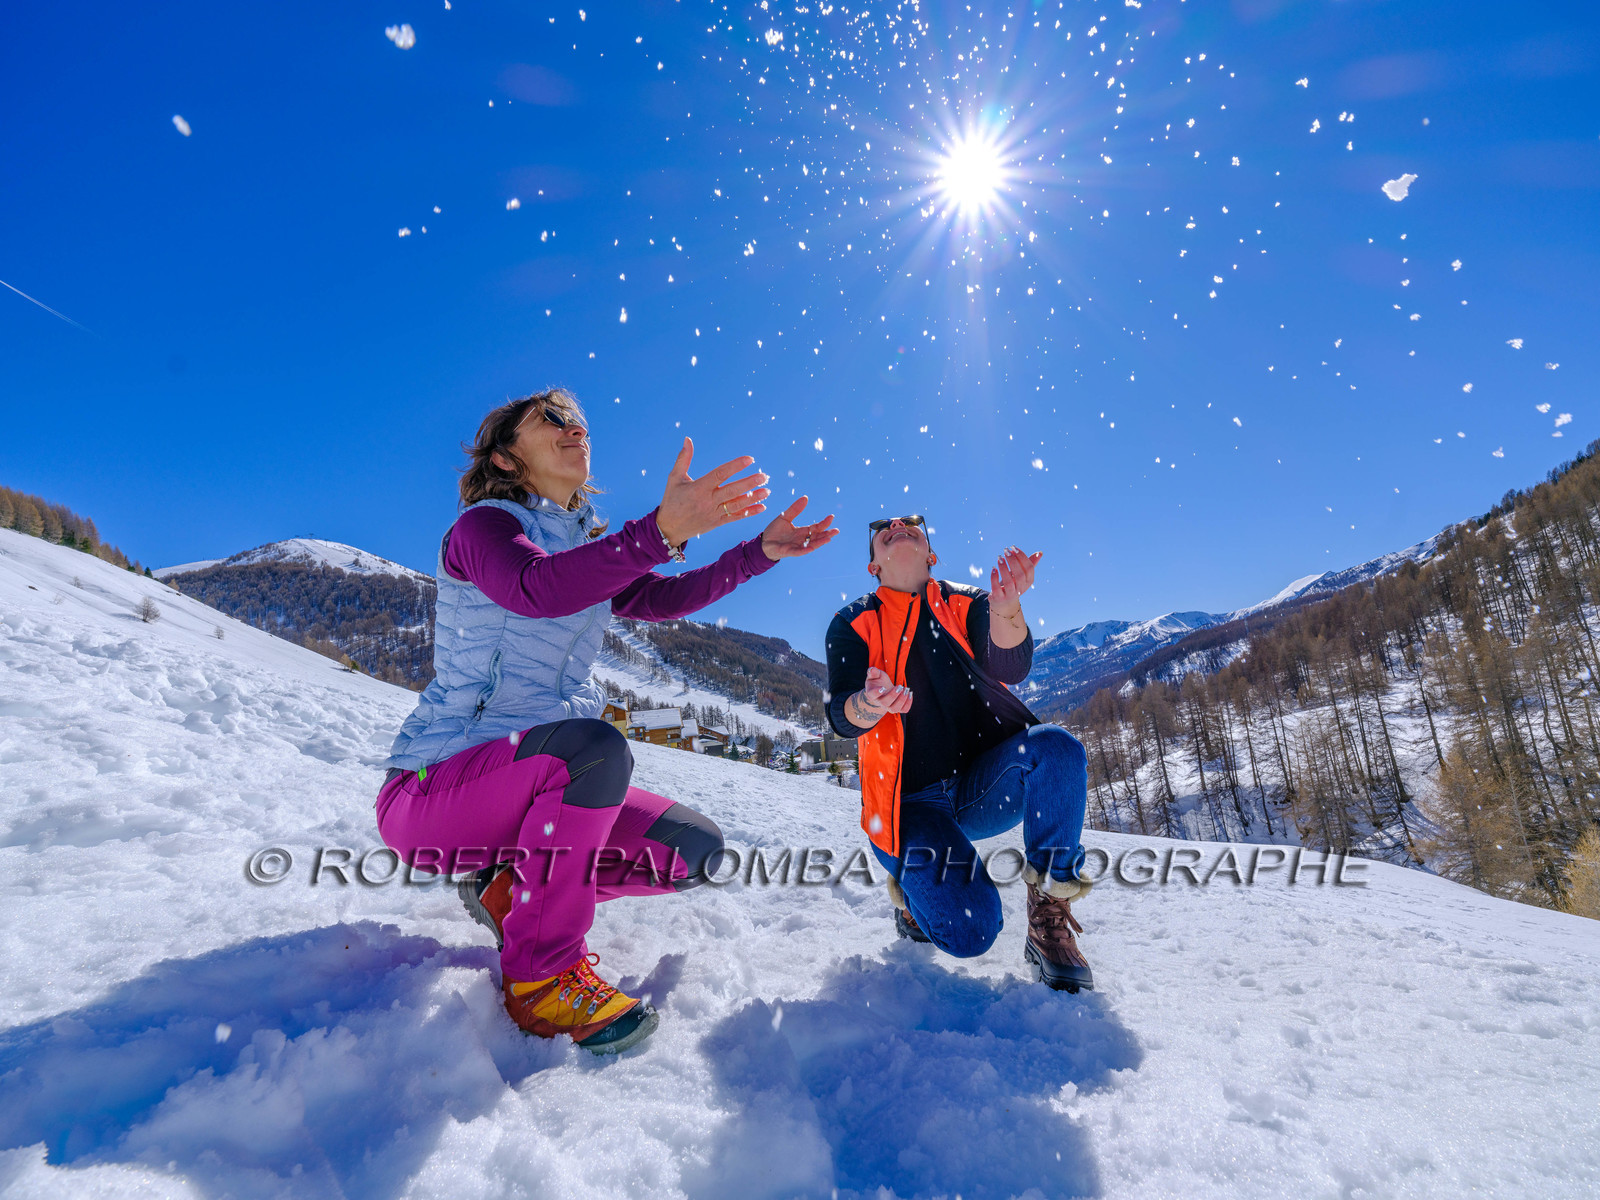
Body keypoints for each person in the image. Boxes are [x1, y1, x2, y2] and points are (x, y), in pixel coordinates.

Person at [377, 388, 835, 1052]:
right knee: (593, 749)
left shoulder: (585, 550)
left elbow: (667, 597)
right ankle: (542, 978)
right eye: (553, 420)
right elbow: (533, 590)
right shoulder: (485, 529)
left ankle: (510, 890)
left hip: (535, 787)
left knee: (693, 850)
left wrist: (757, 553)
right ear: (506, 458)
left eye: (582, 424)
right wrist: (659, 532)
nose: (575, 431)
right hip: (435, 789)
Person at [824, 515, 1095, 991]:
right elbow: (843, 715)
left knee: (1057, 751)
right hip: (907, 809)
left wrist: (1008, 609)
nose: (898, 525)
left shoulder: (963, 602)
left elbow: (1011, 661)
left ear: (931, 555)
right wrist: (869, 704)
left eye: (912, 525)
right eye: (885, 528)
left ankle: (1047, 912)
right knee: (971, 932)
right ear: (872, 564)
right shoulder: (852, 623)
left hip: (977, 787)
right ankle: (913, 896)